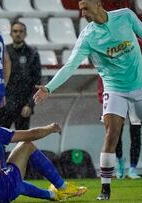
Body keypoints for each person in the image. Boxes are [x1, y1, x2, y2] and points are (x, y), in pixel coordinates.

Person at [33, 0, 142, 200]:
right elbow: (70, 65)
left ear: (98, 4)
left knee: (136, 133)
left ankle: (132, 168)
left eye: (85, 8)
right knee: (111, 134)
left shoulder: (125, 16)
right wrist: (49, 87)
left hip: (140, 85)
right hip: (114, 88)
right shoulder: (88, 37)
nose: (82, 13)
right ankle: (105, 189)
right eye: (80, 9)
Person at [0, 21, 41, 130]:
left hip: (23, 106)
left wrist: (30, 105)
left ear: (25, 34)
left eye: (21, 31)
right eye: (15, 31)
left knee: (23, 141)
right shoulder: (4, 51)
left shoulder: (32, 54)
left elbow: (37, 83)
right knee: (0, 139)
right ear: (11, 34)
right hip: (5, 105)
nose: (18, 34)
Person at [97, 77, 141, 179]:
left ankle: (132, 168)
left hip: (134, 101)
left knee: (136, 134)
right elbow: (102, 81)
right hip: (117, 100)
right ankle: (120, 161)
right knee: (114, 134)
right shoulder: (109, 64)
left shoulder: (134, 63)